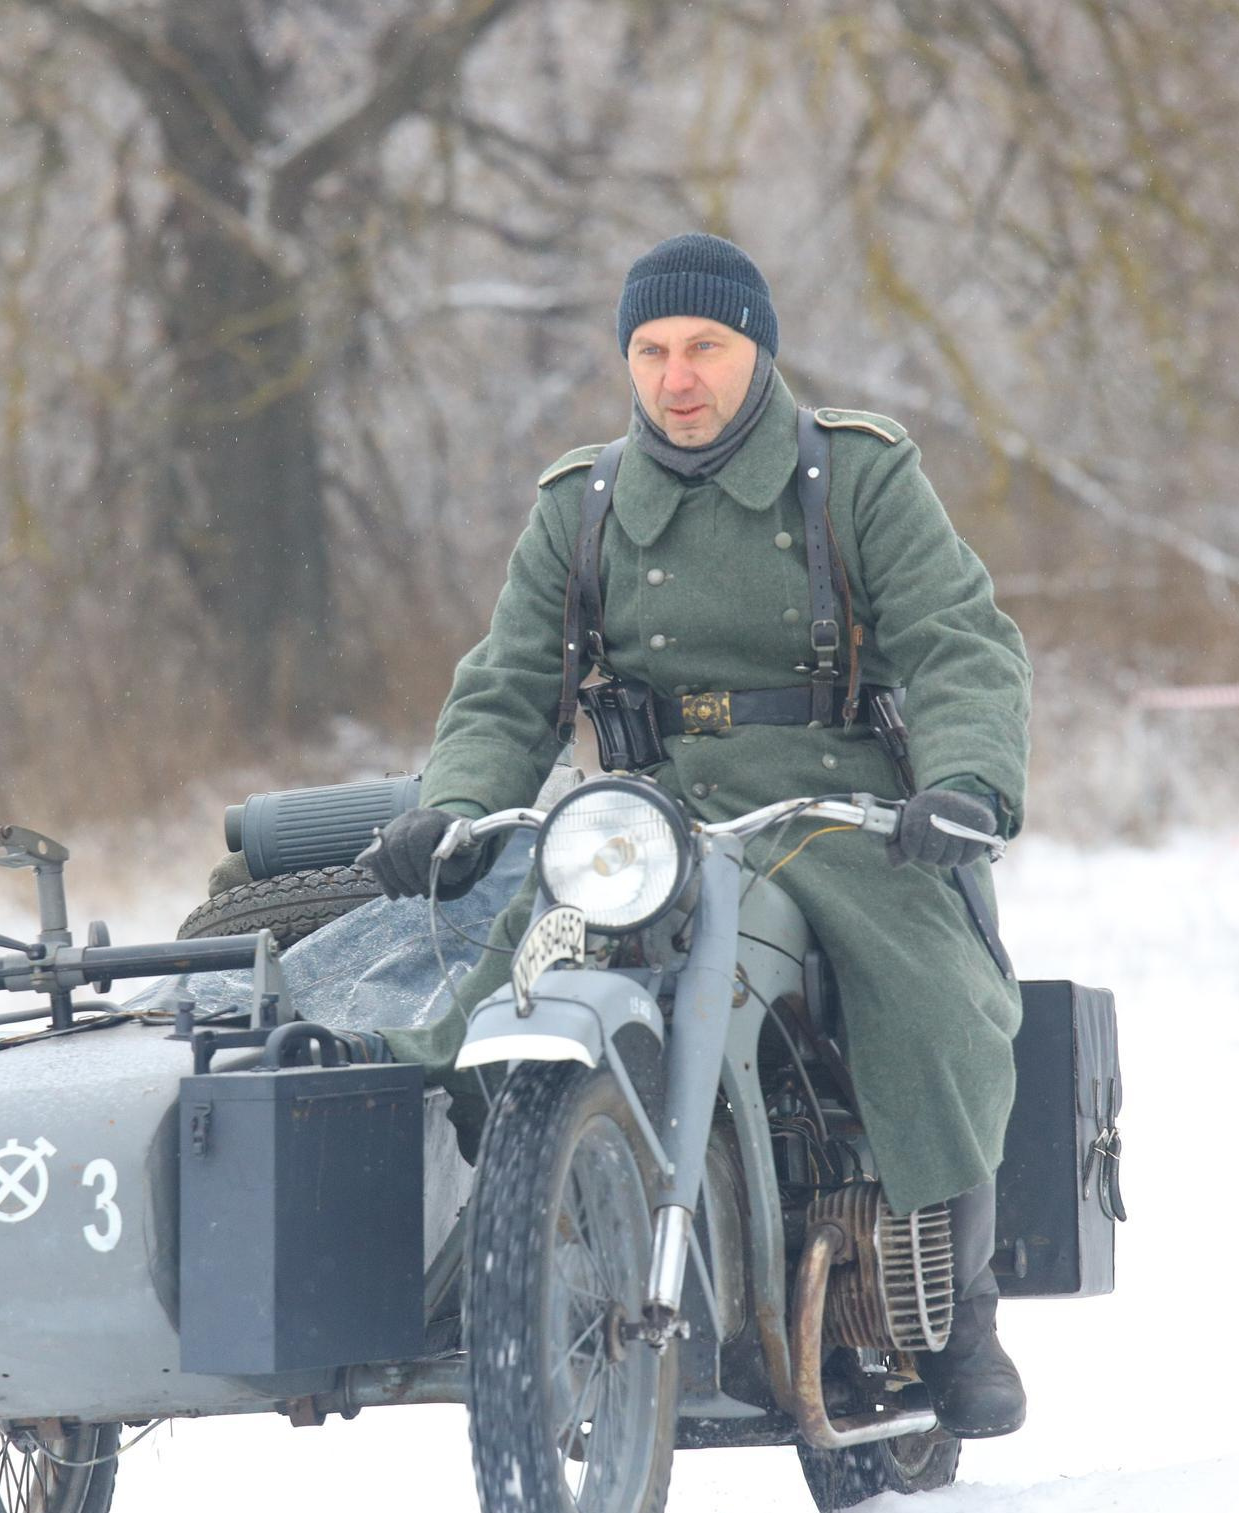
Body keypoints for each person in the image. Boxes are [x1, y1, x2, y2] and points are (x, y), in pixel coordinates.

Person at [360, 233, 1034, 1438]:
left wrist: (963, 782)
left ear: (757, 349)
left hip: (827, 810)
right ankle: (526, 1251)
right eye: (650, 350)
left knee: (935, 1004)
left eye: (704, 348)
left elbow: (958, 640)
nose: (676, 378)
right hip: (640, 820)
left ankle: (961, 1316)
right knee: (494, 1002)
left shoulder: (856, 475)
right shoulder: (581, 505)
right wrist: (454, 807)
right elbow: (508, 688)